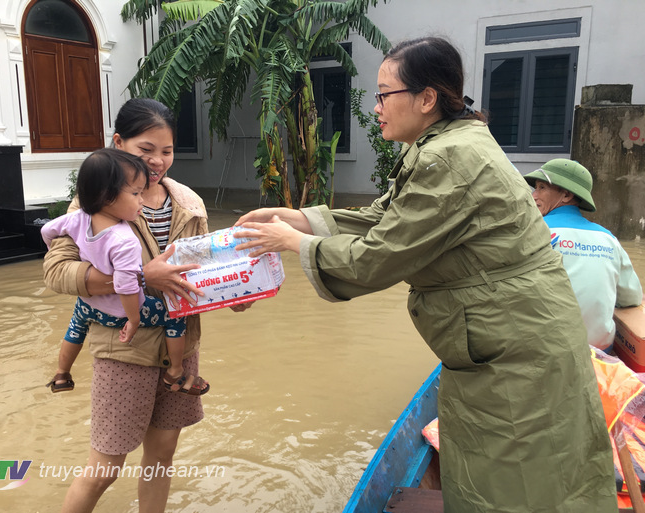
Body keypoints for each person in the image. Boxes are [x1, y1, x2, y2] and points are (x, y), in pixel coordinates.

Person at [234, 37, 617, 512]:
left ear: (427, 98)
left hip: (514, 349)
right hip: (507, 337)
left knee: (522, 481)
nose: (375, 108)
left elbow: (379, 257)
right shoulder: (448, 142)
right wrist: (301, 218)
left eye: (383, 94)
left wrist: (294, 244)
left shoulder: (447, 158)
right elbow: (391, 215)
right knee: (512, 470)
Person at [43, 98, 227, 513]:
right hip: (123, 348)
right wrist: (142, 277)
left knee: (161, 458)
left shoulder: (190, 204)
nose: (158, 162)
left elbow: (199, 271)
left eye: (167, 151)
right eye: (146, 150)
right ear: (119, 142)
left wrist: (231, 292)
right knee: (105, 467)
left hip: (180, 345)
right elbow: (56, 272)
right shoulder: (95, 202)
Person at [42, 148, 208, 397]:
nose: (141, 199)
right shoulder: (124, 239)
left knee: (76, 326)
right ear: (107, 196)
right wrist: (133, 320)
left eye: (167, 150)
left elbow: (47, 231)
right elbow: (128, 286)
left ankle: (62, 374)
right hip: (119, 312)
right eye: (135, 193)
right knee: (175, 313)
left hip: (89, 303)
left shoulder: (79, 218)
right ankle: (175, 371)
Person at [524, 158, 643, 351]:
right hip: (600, 349)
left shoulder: (530, 231)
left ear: (566, 195)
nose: (533, 195)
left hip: (543, 351)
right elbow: (632, 297)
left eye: (542, 188)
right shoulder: (608, 239)